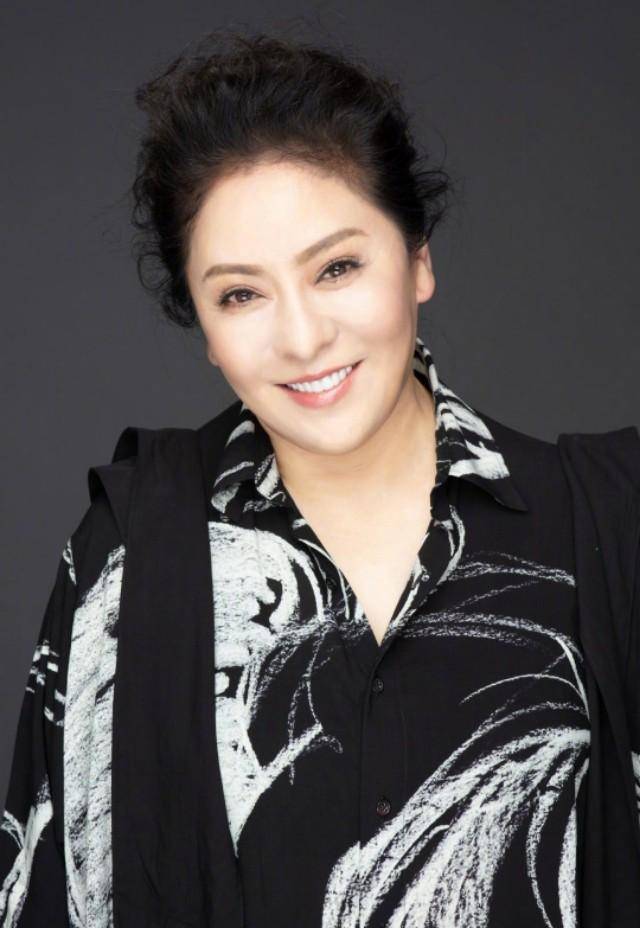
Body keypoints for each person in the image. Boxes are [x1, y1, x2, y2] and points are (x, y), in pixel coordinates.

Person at [2, 27, 640, 928]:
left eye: (337, 268)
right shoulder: (130, 556)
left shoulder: (610, 525)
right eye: (241, 294)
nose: (302, 339)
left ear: (418, 259)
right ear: (203, 326)